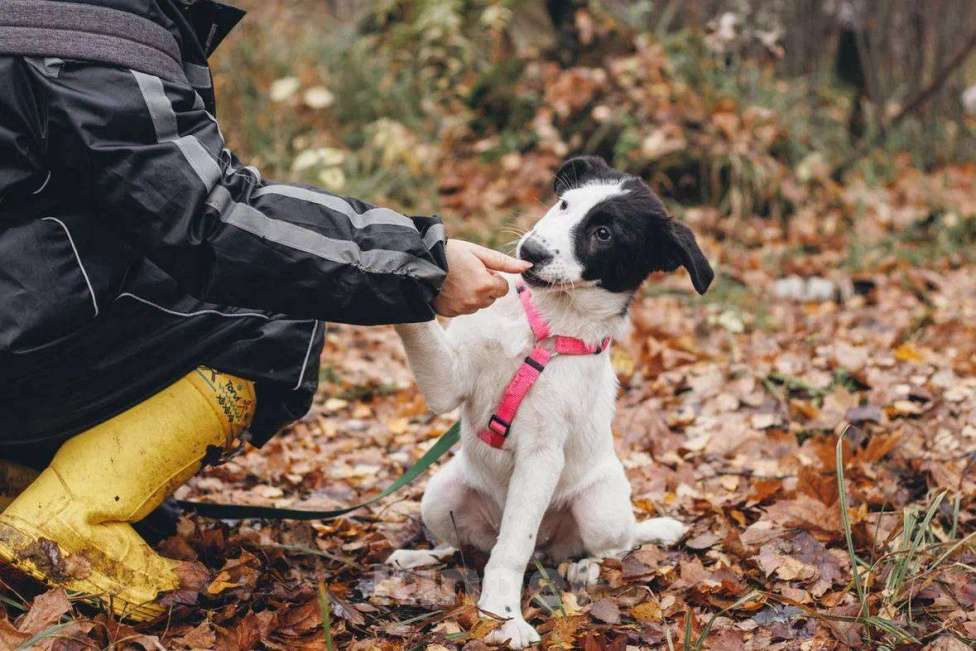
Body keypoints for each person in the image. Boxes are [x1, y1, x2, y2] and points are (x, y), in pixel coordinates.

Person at [0, 0, 529, 620]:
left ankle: (23, 470)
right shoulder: (89, 35)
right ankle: (66, 519)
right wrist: (422, 262)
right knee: (273, 312)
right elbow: (213, 219)